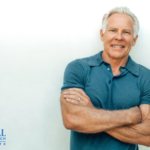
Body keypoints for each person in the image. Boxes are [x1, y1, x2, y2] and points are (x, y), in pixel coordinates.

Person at [60, 6, 150, 150]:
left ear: (134, 39)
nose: (119, 37)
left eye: (126, 32)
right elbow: (72, 119)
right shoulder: (78, 68)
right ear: (102, 35)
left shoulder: (146, 77)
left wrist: (90, 113)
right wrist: (131, 116)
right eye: (113, 30)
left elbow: (148, 136)